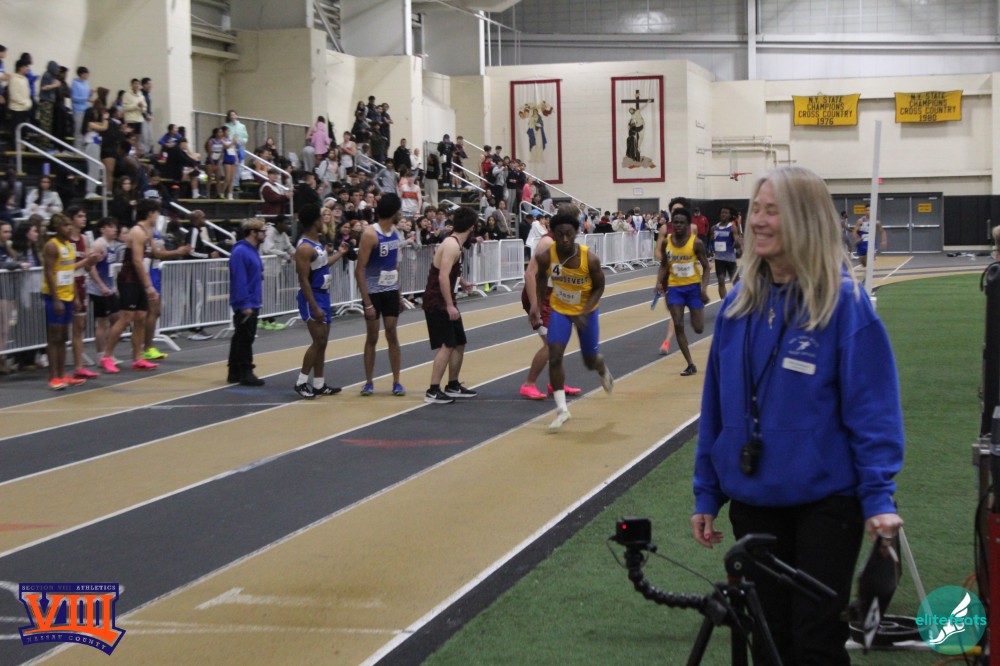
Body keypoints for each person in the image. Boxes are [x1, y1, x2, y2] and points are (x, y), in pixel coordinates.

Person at [691, 166, 905, 666]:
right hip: (753, 499)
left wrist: (878, 496)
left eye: (773, 211)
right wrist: (707, 491)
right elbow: (716, 407)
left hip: (825, 504)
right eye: (756, 210)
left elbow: (873, 410)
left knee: (815, 642)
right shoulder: (736, 306)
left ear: (805, 220)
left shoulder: (843, 304)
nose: (758, 221)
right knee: (767, 640)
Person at [531, 207, 614, 429]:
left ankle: (601, 367)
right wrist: (536, 305)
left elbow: (599, 287)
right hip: (560, 310)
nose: (565, 239)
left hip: (586, 312)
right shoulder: (546, 256)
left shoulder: (590, 259)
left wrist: (584, 311)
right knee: (555, 355)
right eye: (560, 235)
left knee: (589, 360)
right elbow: (540, 279)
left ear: (576, 233)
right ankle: (562, 410)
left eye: (569, 234)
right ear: (554, 235)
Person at [520, 212, 581, 401]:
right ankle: (528, 384)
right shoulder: (547, 242)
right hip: (539, 297)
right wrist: (535, 305)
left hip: (553, 295)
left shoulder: (564, 243)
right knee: (551, 344)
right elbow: (530, 274)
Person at [421, 207, 479, 404]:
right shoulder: (452, 245)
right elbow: (442, 276)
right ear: (471, 227)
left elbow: (449, 270)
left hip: (445, 299)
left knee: (459, 342)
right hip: (437, 301)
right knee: (447, 344)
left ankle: (453, 384)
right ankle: (432, 390)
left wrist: (461, 281)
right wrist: (449, 305)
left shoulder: (455, 244)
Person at [293, 204, 350, 399]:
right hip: (313, 297)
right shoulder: (304, 248)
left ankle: (319, 383)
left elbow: (323, 265)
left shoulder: (317, 242)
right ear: (314, 222)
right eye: (320, 218)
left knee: (323, 342)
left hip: (324, 295)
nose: (324, 222)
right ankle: (301, 382)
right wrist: (314, 306)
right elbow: (303, 280)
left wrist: (340, 253)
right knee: (318, 341)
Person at [100, 199, 163, 373]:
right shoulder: (137, 231)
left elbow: (155, 253)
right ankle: (107, 356)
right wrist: (149, 286)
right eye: (157, 213)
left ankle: (137, 357)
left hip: (140, 278)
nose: (158, 216)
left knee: (141, 317)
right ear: (150, 213)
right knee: (126, 318)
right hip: (129, 279)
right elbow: (136, 260)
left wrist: (177, 252)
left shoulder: (148, 232)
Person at [356, 194, 406, 397]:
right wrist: (367, 303)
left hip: (390, 290)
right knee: (373, 336)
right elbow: (359, 270)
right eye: (399, 211)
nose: (400, 214)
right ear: (393, 212)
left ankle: (397, 381)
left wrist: (399, 294)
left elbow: (395, 266)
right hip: (373, 291)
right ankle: (369, 382)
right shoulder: (370, 234)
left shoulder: (396, 233)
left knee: (392, 334)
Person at [41, 213, 93, 390]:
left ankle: (62, 374)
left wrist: (76, 297)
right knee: (54, 337)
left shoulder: (69, 246)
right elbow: (49, 273)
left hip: (68, 295)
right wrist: (56, 299)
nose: (69, 228)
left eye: (70, 225)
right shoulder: (52, 246)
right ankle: (53, 377)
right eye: (65, 226)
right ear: (57, 228)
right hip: (54, 296)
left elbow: (70, 272)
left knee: (63, 337)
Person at [656, 207, 709, 376]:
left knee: (699, 328)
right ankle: (690, 364)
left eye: (681, 223)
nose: (678, 225)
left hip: (693, 288)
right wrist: (659, 282)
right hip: (675, 288)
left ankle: (695, 315)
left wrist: (703, 289)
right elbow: (664, 264)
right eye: (675, 222)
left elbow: (707, 267)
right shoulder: (667, 242)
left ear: (688, 225)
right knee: (678, 325)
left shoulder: (696, 243)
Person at [226, 218, 266, 386]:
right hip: (246, 301)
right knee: (245, 338)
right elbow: (239, 279)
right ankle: (246, 371)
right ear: (253, 232)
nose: (265, 234)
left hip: (252, 299)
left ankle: (234, 371)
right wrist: (244, 304)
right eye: (262, 231)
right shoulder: (241, 252)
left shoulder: (251, 250)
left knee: (240, 337)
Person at [712, 205, 743, 299]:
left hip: (730, 259)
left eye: (726, 213)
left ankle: (739, 301)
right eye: (722, 212)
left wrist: (737, 242)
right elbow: (711, 240)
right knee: (721, 281)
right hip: (719, 259)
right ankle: (724, 302)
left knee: (736, 282)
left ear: (730, 215)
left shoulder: (732, 228)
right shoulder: (714, 228)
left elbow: (737, 242)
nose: (723, 214)